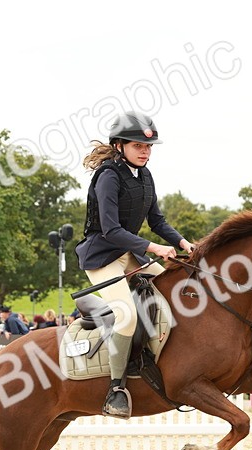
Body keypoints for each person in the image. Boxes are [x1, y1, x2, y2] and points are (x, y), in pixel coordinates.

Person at [74, 111, 193, 419]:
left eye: (148, 147)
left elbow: (157, 220)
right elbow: (111, 229)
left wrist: (183, 243)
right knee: (126, 315)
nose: (145, 151)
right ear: (119, 146)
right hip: (102, 256)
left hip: (130, 254)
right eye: (138, 145)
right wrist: (154, 248)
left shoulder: (145, 176)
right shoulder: (108, 176)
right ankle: (116, 388)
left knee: (175, 284)